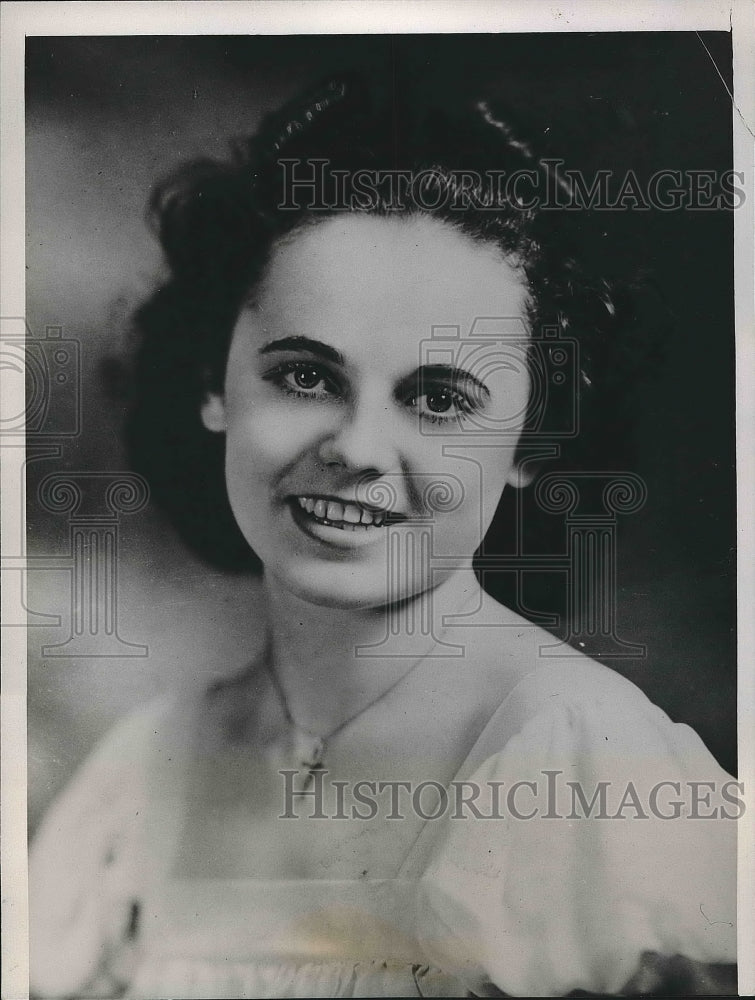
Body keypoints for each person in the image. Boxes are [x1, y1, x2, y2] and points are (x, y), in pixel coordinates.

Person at [29, 74, 737, 998]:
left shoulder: (580, 762)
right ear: (215, 379)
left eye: (437, 399)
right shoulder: (144, 773)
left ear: (532, 440)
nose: (357, 448)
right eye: (305, 377)